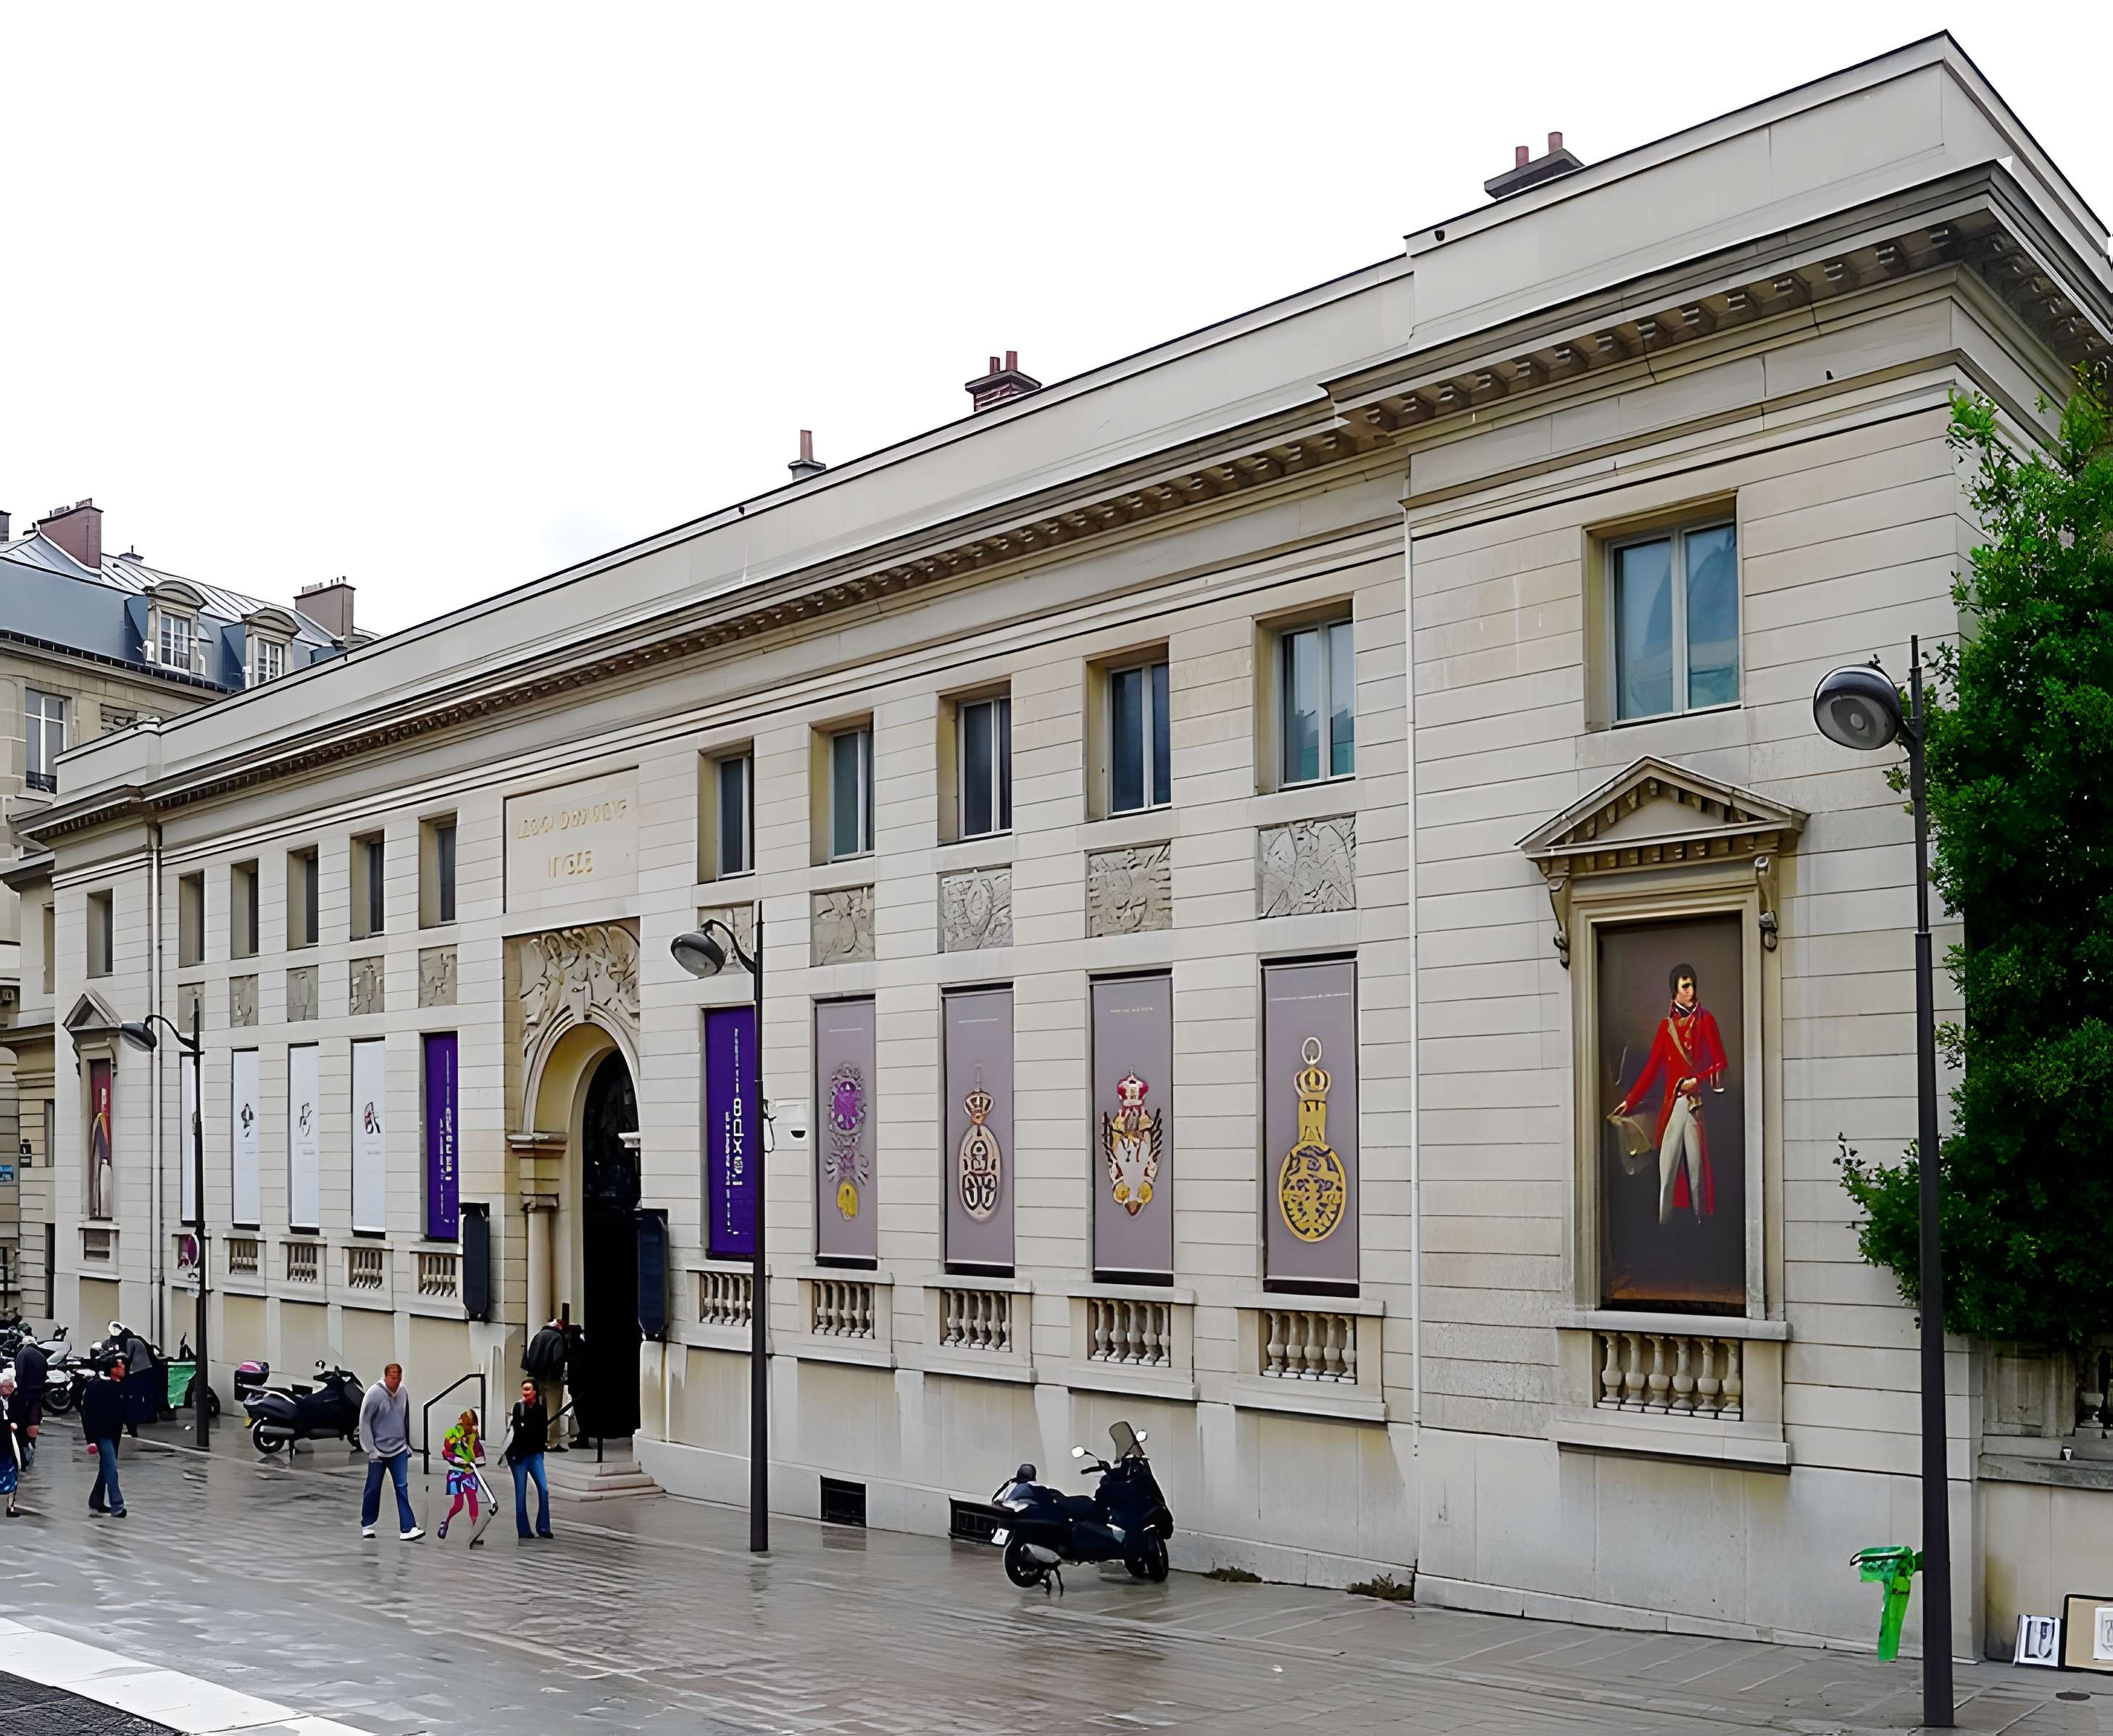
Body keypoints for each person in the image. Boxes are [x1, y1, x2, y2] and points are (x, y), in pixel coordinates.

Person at [1611, 961, 1730, 1225]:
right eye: (1685, 986)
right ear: (1675, 991)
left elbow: (1720, 1063)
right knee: (1667, 1168)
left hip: (1694, 1105)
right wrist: (1629, 1101)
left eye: (1692, 985)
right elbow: (1651, 1070)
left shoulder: (1707, 1020)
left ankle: (1701, 1224)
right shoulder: (1666, 1028)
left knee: (1697, 1171)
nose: (1691, 991)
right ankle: (1665, 1226)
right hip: (1672, 1106)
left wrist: (1696, 1081)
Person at [357, 1363, 422, 1541]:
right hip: (378, 1451)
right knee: (373, 1487)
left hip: (399, 1449)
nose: (396, 1380)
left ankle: (408, 1528)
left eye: (399, 1376)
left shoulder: (402, 1392)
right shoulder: (374, 1394)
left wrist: (407, 1444)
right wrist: (370, 1449)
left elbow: (405, 1418)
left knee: (402, 1487)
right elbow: (364, 1422)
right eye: (393, 1376)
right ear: (386, 1376)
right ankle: (368, 1524)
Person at [504, 1377, 553, 1540]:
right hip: (519, 1455)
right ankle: (524, 1530)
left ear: (535, 1392)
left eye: (529, 1389)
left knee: (544, 1488)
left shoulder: (541, 1409)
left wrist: (537, 1445)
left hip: (535, 1453)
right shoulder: (519, 1407)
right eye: (524, 1389)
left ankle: (544, 1527)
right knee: (521, 1491)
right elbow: (518, 1431)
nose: (525, 1393)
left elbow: (541, 1432)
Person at [81, 1358, 127, 1519]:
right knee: (111, 1467)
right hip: (102, 1434)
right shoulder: (96, 1387)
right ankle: (117, 1504)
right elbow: (87, 1414)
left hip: (114, 1433)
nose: (123, 1368)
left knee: (106, 1466)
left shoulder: (120, 1386)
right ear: (112, 1369)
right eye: (120, 1366)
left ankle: (96, 1498)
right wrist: (90, 1439)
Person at [436, 1409, 484, 1543]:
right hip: (456, 1472)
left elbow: (477, 1449)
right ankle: (446, 1522)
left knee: (473, 1500)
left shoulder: (474, 1435)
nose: (472, 1427)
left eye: (474, 1424)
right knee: (459, 1505)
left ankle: (475, 1533)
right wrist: (456, 1459)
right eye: (469, 1424)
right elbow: (446, 1450)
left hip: (469, 1472)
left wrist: (479, 1460)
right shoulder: (453, 1433)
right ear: (462, 1422)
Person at [11, 1338, 45, 1471]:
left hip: (25, 1394)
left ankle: (24, 1453)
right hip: (37, 1394)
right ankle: (32, 1445)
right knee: (34, 1420)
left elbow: (20, 1374)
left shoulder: (23, 1354)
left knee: (22, 1425)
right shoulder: (41, 1356)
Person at [1, 1369, 20, 1518]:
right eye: (8, 1386)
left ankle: (11, 1506)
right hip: (5, 1441)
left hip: (9, 1442)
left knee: (13, 1471)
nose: (11, 1388)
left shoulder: (15, 1398)